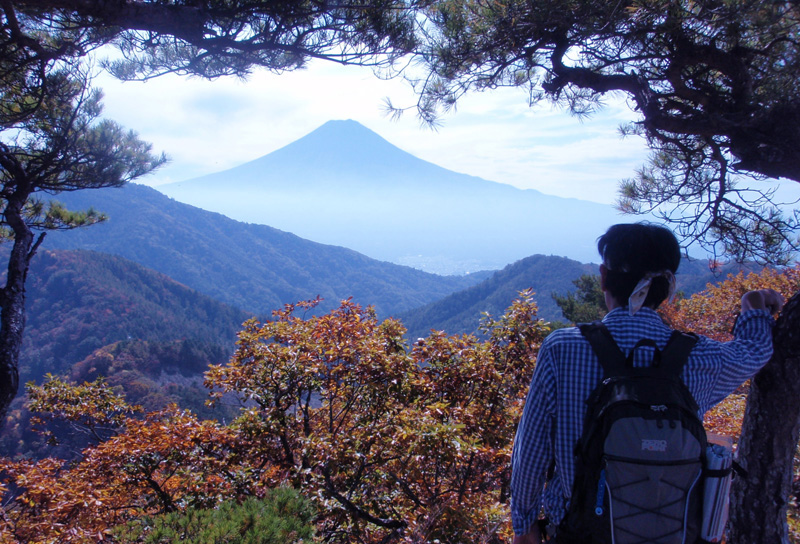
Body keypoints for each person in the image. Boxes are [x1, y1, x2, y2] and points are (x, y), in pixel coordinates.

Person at [510, 222, 784, 544]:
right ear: (666, 289)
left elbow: (531, 452)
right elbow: (754, 351)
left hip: (578, 532)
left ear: (603, 277)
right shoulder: (701, 357)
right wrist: (753, 305)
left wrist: (525, 525)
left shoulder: (562, 349)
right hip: (673, 534)